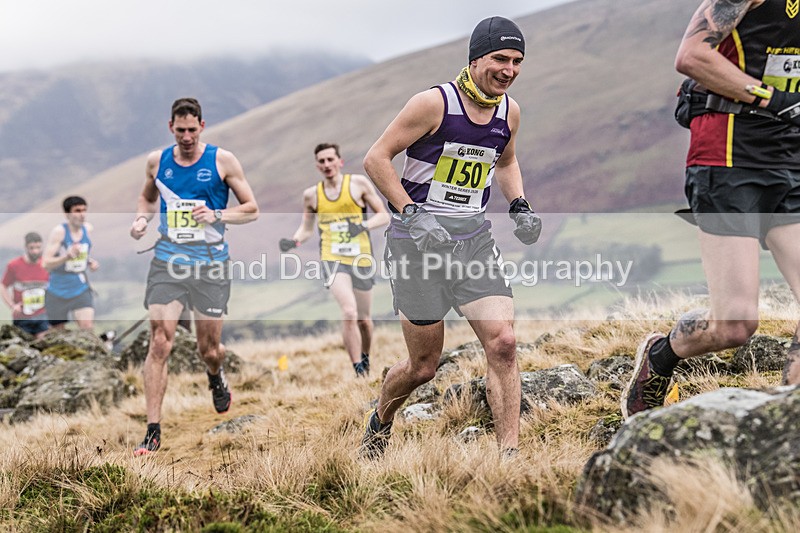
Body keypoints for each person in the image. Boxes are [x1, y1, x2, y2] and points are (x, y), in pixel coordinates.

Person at [359, 16, 541, 458]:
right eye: (500, 58)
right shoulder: (433, 104)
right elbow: (376, 159)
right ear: (476, 57)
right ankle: (381, 418)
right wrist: (412, 214)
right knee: (423, 367)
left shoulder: (508, 111)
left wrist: (519, 205)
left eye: (517, 61)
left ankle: (508, 457)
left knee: (504, 342)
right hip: (416, 247)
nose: (509, 70)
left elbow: (506, 161)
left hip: (472, 242)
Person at [622, 0, 800, 419]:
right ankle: (660, 355)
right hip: (728, 159)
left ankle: (788, 425)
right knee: (735, 325)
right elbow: (692, 56)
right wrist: (771, 98)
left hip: (790, 159)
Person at [129, 97, 258, 455]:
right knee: (160, 341)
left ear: (202, 126)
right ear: (170, 127)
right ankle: (153, 430)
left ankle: (215, 376)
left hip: (210, 263)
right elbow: (146, 197)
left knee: (209, 348)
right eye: (180, 130)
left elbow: (252, 209)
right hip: (168, 260)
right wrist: (141, 219)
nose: (186, 136)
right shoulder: (158, 161)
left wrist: (217, 214)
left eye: (192, 129)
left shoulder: (222, 160)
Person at [280, 143, 389, 377]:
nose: (327, 164)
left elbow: (383, 216)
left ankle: (366, 355)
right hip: (332, 257)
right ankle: (357, 366)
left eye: (330, 159)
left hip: (361, 257)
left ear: (339, 161)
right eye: (322, 161)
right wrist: (293, 242)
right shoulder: (312, 195)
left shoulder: (358, 184)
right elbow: (307, 229)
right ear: (317, 165)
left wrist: (361, 226)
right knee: (349, 311)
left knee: (364, 320)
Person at [43, 196, 98, 330]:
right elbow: (45, 263)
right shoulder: (60, 232)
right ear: (67, 214)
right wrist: (66, 257)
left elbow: (82, 254)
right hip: (57, 289)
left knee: (87, 328)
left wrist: (89, 262)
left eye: (84, 210)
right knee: (58, 334)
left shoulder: (88, 229)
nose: (82, 215)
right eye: (77, 211)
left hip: (80, 287)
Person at [1, 232, 50, 337]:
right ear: (26, 247)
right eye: (31, 248)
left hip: (42, 315)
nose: (35, 251)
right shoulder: (14, 265)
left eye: (38, 247)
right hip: (22, 317)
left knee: (43, 345)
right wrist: (12, 306)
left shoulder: (47, 264)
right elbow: (3, 286)